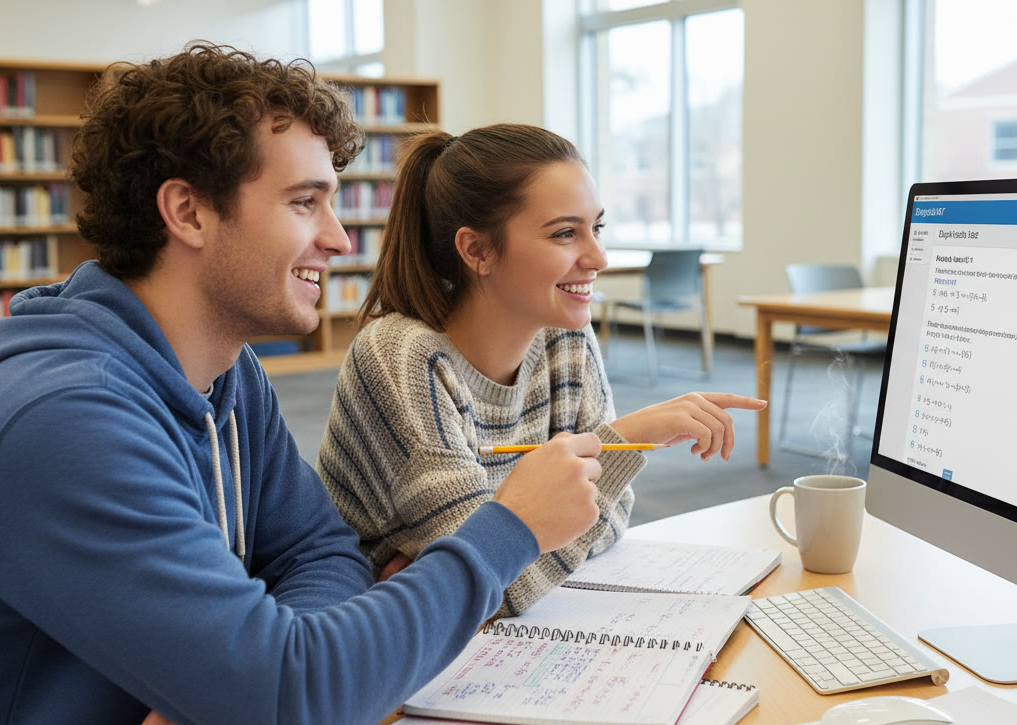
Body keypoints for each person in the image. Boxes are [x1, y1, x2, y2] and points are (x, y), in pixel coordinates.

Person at [0, 44, 607, 725]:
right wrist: (508, 530)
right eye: (305, 202)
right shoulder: (64, 424)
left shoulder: (225, 371)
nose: (338, 238)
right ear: (188, 212)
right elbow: (292, 710)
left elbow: (320, 551)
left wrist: (228, 695)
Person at [318, 124, 766, 616]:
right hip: (380, 633)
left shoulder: (565, 336)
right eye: (565, 233)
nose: (598, 258)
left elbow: (611, 517)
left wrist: (499, 554)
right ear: (477, 251)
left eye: (597, 228)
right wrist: (626, 438)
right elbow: (491, 589)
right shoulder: (400, 360)